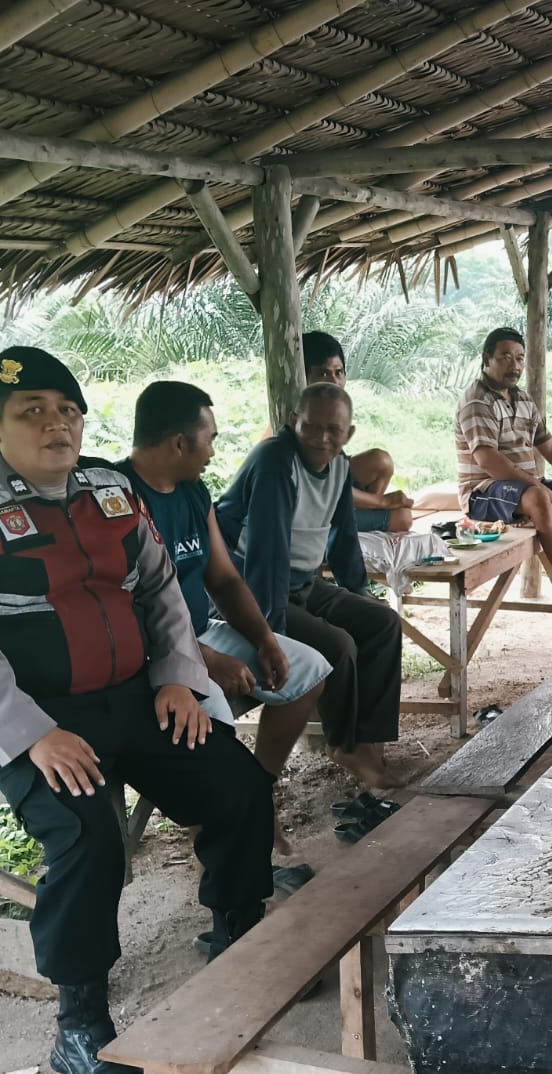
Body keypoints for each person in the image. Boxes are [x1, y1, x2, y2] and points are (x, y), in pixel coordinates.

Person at [0, 347, 274, 1074]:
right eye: (32, 412)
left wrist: (177, 676)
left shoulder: (112, 491)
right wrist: (32, 733)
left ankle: (239, 935)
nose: (56, 425)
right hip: (20, 709)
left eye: (67, 411)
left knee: (237, 783)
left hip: (128, 690)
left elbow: (160, 591)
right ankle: (79, 1024)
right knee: (87, 834)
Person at [120, 380, 333, 866]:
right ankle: (222, 848)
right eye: (210, 439)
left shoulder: (193, 492)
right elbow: (121, 611)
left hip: (200, 634)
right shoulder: (116, 498)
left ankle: (255, 795)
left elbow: (224, 578)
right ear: (180, 443)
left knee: (308, 670)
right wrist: (207, 660)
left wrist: (264, 640)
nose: (214, 451)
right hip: (150, 653)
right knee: (209, 722)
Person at [215, 381, 402, 789]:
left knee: (382, 622)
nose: (322, 438)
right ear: (292, 422)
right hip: (248, 589)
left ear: (348, 434)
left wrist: (358, 593)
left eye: (333, 430)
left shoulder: (339, 467)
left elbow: (344, 537)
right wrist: (270, 635)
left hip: (300, 582)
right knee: (338, 646)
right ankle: (343, 744)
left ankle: (366, 741)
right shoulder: (276, 461)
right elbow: (266, 552)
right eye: (311, 427)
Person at [455, 326, 552, 613]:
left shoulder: (523, 399)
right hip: (483, 493)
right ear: (486, 359)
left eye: (519, 358)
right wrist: (536, 487)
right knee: (539, 497)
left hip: (525, 489)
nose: (514, 365)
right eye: (505, 357)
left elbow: (549, 446)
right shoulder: (477, 401)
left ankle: (534, 514)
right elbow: (488, 460)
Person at [303, 331, 413, 533]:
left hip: (331, 495)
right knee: (403, 518)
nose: (334, 382)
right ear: (304, 377)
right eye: (323, 374)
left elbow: (336, 476)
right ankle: (345, 528)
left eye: (338, 372)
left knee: (380, 461)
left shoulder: (331, 410)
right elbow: (327, 486)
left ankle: (354, 521)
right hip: (313, 512)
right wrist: (382, 502)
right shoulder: (302, 419)